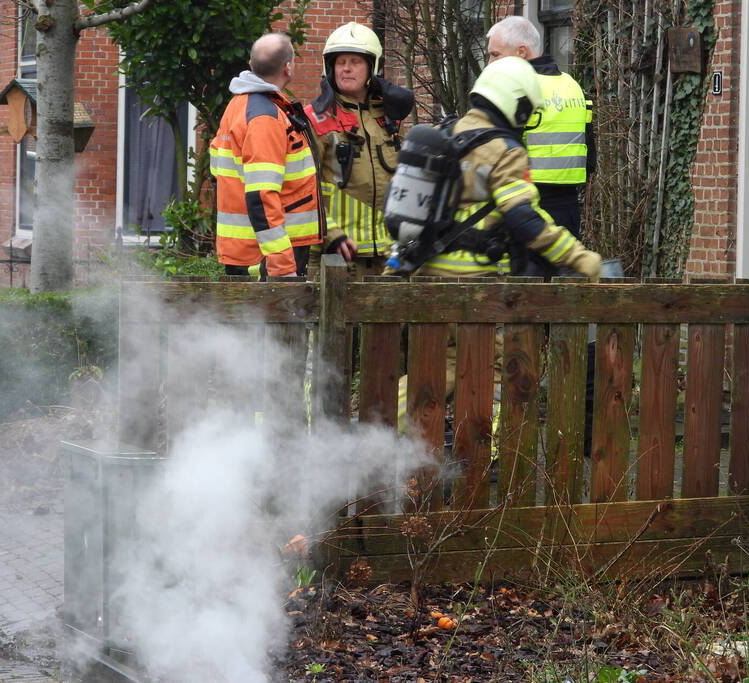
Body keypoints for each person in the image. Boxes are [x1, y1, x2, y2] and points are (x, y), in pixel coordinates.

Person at [390, 56, 601, 436]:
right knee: (498, 368)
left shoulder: (448, 131)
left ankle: (375, 433)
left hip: (427, 277)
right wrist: (580, 258)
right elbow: (525, 219)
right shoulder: (504, 150)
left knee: (439, 368)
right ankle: (489, 458)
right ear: (516, 103)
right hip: (473, 283)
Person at [486, 16, 594, 279]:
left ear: (521, 52)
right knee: (562, 299)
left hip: (525, 210)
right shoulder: (571, 86)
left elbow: (491, 156)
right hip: (568, 209)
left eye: (495, 55)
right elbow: (589, 157)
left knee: (525, 300)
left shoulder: (515, 89)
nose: (489, 64)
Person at [306, 22, 415, 278]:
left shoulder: (389, 117)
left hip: (387, 257)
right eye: (340, 61)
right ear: (330, 67)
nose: (346, 68)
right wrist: (330, 235)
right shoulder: (316, 119)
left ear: (371, 67)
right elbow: (302, 187)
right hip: (335, 257)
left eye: (355, 61)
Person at [210, 33, 322, 278]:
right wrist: (282, 267)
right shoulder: (265, 117)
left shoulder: (237, 106)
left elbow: (219, 170)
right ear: (288, 67)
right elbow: (261, 196)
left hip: (249, 251)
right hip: (266, 257)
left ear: (250, 66)